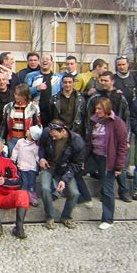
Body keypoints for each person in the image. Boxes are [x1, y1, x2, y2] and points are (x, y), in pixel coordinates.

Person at [85, 71, 131, 202]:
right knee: (103, 166)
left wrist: (126, 138)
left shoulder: (120, 97)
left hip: (117, 134)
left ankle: (123, 191)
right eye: (101, 80)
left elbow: (127, 118)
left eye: (106, 80)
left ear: (112, 81)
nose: (103, 83)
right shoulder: (95, 97)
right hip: (101, 136)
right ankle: (104, 192)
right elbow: (89, 117)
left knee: (118, 165)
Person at [84, 98, 128, 230]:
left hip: (108, 159)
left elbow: (122, 146)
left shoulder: (117, 123)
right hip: (94, 156)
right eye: (96, 109)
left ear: (107, 109)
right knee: (77, 172)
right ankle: (86, 197)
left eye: (100, 109)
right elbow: (89, 141)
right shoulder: (94, 121)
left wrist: (119, 166)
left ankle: (108, 219)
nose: (97, 111)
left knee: (107, 189)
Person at [50, 74, 91, 205]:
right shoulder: (55, 99)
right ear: (62, 84)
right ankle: (61, 190)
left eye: (70, 82)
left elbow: (85, 119)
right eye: (65, 82)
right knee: (61, 162)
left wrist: (85, 137)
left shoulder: (80, 99)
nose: (67, 85)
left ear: (73, 83)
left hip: (75, 134)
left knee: (74, 164)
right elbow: (51, 117)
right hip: (60, 135)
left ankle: (82, 194)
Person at [38, 119, 84, 230]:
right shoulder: (47, 132)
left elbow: (76, 164)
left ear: (63, 131)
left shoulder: (77, 141)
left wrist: (64, 179)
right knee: (45, 188)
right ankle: (49, 217)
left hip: (65, 169)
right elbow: (41, 146)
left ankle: (66, 216)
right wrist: (42, 158)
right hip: (49, 166)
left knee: (75, 193)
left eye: (55, 136)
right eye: (51, 135)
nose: (52, 138)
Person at [0, 83, 41, 156]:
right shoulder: (8, 107)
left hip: (27, 140)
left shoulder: (33, 107)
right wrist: (0, 140)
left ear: (25, 96)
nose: (16, 96)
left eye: (19, 95)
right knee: (12, 161)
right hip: (11, 139)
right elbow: (3, 125)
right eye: (15, 94)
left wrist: (36, 141)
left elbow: (38, 125)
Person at [25, 53, 63, 126]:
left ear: (51, 62)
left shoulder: (58, 78)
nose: (45, 61)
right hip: (35, 111)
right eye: (43, 59)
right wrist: (37, 88)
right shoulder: (31, 76)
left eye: (47, 59)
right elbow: (25, 92)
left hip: (53, 112)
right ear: (39, 62)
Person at [11, 125, 42, 207]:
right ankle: (24, 198)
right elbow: (15, 150)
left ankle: (33, 198)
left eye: (29, 131)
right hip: (21, 167)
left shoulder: (35, 146)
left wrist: (40, 163)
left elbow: (37, 156)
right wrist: (13, 159)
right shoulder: (20, 142)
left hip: (31, 168)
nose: (27, 130)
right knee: (23, 184)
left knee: (31, 184)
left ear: (32, 135)